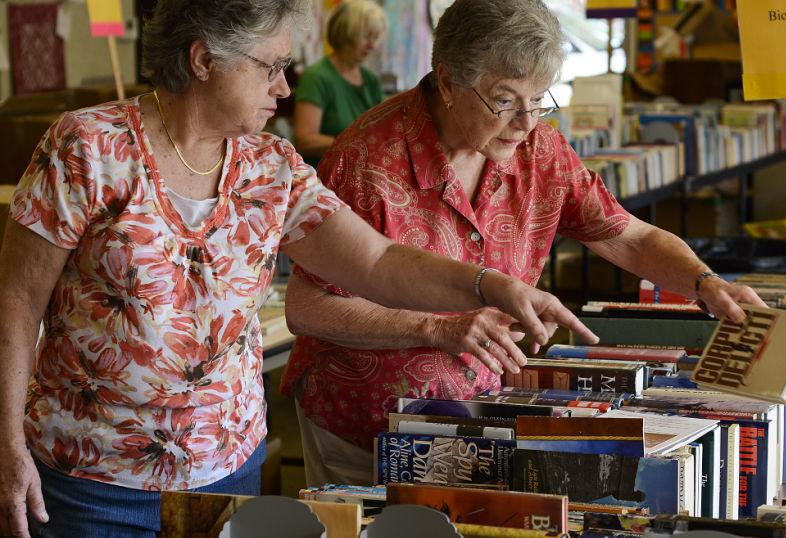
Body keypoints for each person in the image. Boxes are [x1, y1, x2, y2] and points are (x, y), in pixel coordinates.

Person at [0, 1, 601, 535]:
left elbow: (377, 259)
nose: (285, 89)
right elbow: (17, 301)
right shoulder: (88, 146)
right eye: (270, 67)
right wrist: (6, 446)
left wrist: (489, 283)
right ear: (205, 59)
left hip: (227, 467)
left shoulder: (272, 166)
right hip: (92, 476)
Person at [280, 0, 766, 487]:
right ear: (447, 83)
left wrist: (704, 283)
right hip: (365, 422)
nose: (526, 122)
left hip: (480, 414)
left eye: (540, 99)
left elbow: (630, 237)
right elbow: (308, 307)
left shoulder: (541, 150)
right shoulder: (366, 162)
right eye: (506, 99)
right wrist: (433, 328)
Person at [293, 0, 386, 168]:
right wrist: (357, 145)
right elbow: (305, 141)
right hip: (325, 175)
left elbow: (381, 128)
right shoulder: (316, 77)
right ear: (345, 33)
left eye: (375, 37)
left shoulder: (371, 79)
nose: (372, 45)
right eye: (366, 37)